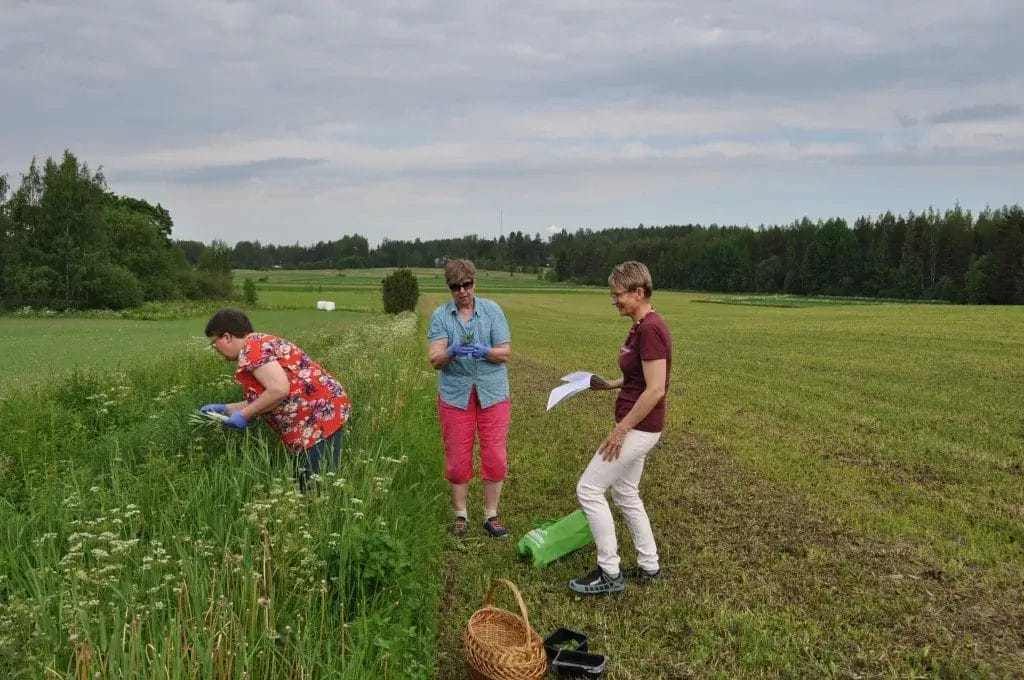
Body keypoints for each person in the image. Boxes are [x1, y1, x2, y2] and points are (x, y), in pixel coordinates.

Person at [569, 261, 672, 595]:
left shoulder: (652, 329)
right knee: (625, 492)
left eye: (618, 294)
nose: (614, 300)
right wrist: (608, 384)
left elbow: (656, 389)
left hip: (639, 429)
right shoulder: (639, 326)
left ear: (638, 292)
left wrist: (621, 430)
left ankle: (609, 572)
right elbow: (637, 378)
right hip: (636, 426)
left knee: (588, 489)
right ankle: (649, 566)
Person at [199, 308, 352, 490]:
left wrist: (245, 415)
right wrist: (227, 409)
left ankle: (321, 514)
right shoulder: (259, 343)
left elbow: (279, 390)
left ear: (227, 337)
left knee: (315, 486)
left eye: (213, 342)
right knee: (308, 480)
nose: (215, 348)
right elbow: (268, 397)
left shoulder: (253, 348)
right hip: (315, 416)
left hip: (317, 419)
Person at [427, 259, 512, 539]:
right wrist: (453, 350)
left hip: (492, 393)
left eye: (467, 285)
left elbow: (504, 352)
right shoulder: (441, 316)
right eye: (456, 287)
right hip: (455, 395)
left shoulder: (492, 310)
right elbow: (435, 359)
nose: (462, 291)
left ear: (474, 283)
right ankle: (461, 515)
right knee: (457, 457)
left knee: (495, 455)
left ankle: (491, 515)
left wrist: (484, 351)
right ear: (449, 288)